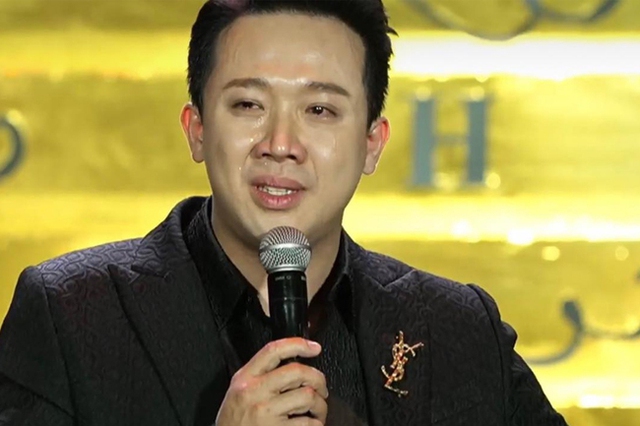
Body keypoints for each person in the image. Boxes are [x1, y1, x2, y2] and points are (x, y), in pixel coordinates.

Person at [0, 0, 569, 425]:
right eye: (248, 104)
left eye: (320, 110)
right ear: (197, 129)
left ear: (372, 144)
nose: (281, 144)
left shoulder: (456, 331)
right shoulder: (70, 316)